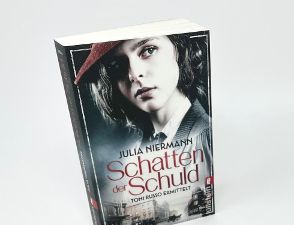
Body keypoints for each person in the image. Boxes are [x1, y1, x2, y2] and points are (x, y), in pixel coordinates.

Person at [75, 34, 211, 150]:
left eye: (149, 50)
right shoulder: (138, 149)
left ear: (178, 48)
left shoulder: (206, 139)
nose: (135, 74)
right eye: (116, 65)